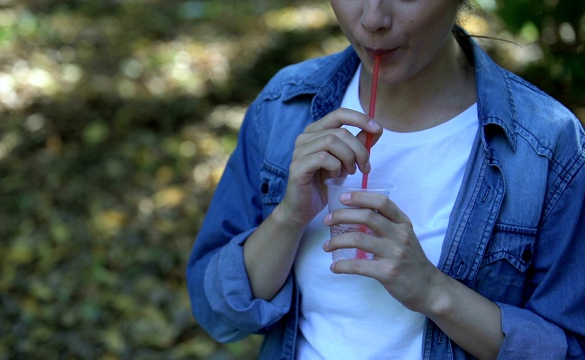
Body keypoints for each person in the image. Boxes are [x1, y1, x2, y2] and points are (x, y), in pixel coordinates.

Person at [186, 0, 585, 358]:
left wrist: (433, 290)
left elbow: (569, 350)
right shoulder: (284, 105)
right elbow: (217, 311)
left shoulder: (548, 145)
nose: (373, 19)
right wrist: (289, 218)